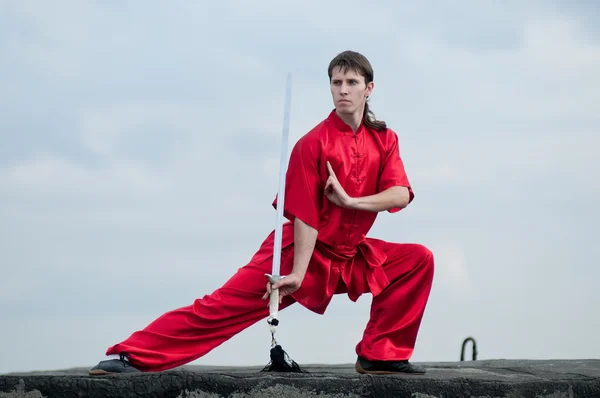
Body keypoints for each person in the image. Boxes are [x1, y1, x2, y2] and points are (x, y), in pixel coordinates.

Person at [89, 50, 434, 376]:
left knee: (417, 261)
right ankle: (130, 354)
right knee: (219, 308)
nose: (343, 90)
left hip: (349, 256)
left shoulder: (385, 139)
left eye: (352, 83)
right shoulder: (312, 143)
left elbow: (400, 194)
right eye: (336, 82)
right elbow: (305, 215)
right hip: (295, 253)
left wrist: (350, 202)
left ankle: (379, 355)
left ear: (368, 88)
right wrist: (298, 273)